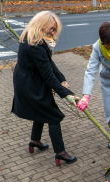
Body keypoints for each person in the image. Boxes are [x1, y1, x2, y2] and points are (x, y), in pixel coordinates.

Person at [12, 11, 78, 166]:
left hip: (30, 80)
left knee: (40, 110)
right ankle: (60, 153)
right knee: (53, 116)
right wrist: (66, 95)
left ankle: (35, 141)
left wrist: (63, 81)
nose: (53, 32)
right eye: (51, 28)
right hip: (31, 84)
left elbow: (49, 64)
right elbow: (48, 76)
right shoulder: (35, 44)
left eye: (55, 29)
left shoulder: (38, 39)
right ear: (41, 24)